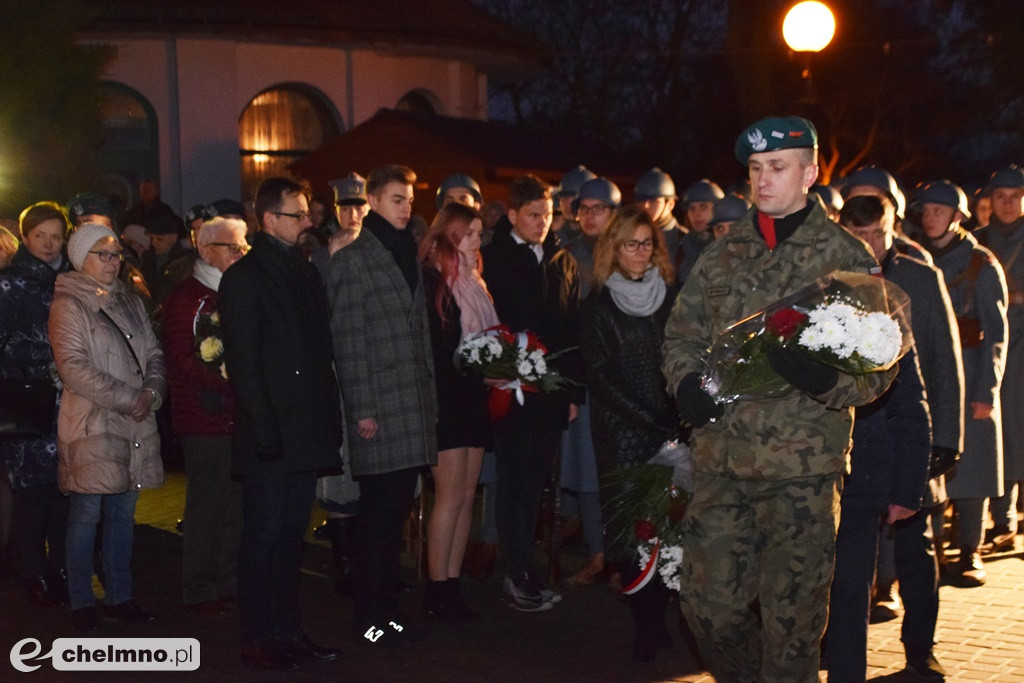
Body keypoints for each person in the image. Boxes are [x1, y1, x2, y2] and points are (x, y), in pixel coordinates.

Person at [661, 116, 897, 682]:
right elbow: (681, 335)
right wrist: (687, 384)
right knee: (708, 611)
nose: (764, 181)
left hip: (801, 473)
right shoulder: (722, 255)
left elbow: (878, 369)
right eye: (755, 169)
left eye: (778, 167)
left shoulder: (844, 257)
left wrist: (822, 379)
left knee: (793, 629)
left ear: (810, 173)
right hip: (722, 462)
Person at [833, 193, 963, 680]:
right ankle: (843, 649)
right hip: (862, 442)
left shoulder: (920, 278)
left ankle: (919, 647)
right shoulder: (834, 281)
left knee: (916, 549)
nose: (870, 244)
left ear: (894, 229)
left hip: (914, 431)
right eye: (859, 234)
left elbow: (945, 359)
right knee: (850, 564)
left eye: (878, 233)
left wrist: (945, 439)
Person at [218, 177, 344, 670]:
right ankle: (258, 635)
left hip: (304, 428)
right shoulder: (245, 278)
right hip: (271, 433)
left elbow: (320, 356)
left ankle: (289, 630)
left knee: (292, 536)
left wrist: (328, 420)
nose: (308, 221)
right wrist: (265, 431)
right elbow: (245, 365)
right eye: (298, 214)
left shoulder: (304, 272)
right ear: (269, 219)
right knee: (264, 535)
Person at [326, 164, 437, 645]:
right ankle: (369, 619)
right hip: (380, 408)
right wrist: (363, 410)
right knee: (376, 518)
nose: (406, 207)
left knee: (394, 518)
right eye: (396, 198)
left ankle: (387, 614)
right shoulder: (354, 259)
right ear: (371, 200)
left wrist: (429, 399)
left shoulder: (405, 252)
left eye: (409, 199)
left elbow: (420, 334)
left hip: (409, 404)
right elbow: (348, 340)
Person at [48, 223, 167, 633]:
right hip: (94, 423)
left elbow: (154, 351)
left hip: (134, 423)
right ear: (82, 258)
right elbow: (74, 368)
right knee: (86, 512)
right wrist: (130, 398)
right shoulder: (68, 304)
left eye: (116, 254)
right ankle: (82, 600)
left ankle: (121, 596)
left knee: (122, 513)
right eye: (103, 254)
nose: (113, 261)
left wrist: (151, 391)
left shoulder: (130, 301)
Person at [581, 206, 680, 661]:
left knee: (669, 529)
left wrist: (677, 414)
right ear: (613, 249)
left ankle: (659, 618)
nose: (640, 253)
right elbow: (600, 376)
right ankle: (643, 624)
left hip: (670, 428)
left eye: (647, 243)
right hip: (622, 432)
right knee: (630, 534)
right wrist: (647, 417)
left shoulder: (673, 297)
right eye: (630, 244)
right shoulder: (599, 305)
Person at [481, 174, 583, 611]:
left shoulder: (562, 259)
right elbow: (487, 325)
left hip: (551, 392)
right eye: (533, 215)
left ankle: (525, 565)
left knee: (537, 484)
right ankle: (515, 568)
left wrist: (572, 392)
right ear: (512, 214)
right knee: (513, 482)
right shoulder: (493, 258)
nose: (542, 222)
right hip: (511, 390)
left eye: (547, 214)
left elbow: (573, 327)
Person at [919, 179, 1008, 587]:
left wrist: (986, 390)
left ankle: (970, 550)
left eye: (939, 211)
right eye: (926, 211)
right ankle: (932, 550)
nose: (930, 217)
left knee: (971, 469)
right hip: (932, 376)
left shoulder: (981, 263)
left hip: (971, 372)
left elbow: (996, 332)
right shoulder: (915, 259)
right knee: (929, 465)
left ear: (958, 218)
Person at [162, 217, 250, 618]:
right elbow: (179, 359)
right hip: (203, 417)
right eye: (233, 246)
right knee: (206, 507)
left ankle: (229, 583)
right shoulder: (188, 297)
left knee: (234, 506)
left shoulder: (236, 291)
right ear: (206, 249)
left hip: (235, 417)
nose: (241, 251)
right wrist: (230, 385)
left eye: (243, 244)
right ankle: (198, 589)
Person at [418, 202, 497, 622]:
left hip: (473, 400)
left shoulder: (475, 282)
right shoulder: (434, 281)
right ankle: (436, 589)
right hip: (447, 402)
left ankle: (452, 583)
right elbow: (438, 349)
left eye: (480, 233)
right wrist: (478, 365)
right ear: (449, 235)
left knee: (468, 497)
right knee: (448, 497)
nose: (476, 240)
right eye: (469, 233)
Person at [0, 202, 72, 607]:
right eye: (40, 235)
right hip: (25, 397)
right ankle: (33, 572)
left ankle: (59, 567)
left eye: (55, 236)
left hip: (68, 396)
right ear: (25, 237)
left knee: (65, 485)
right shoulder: (9, 283)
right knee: (31, 490)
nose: (48, 244)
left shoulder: (71, 279)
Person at [558, 176, 620, 586]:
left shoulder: (628, 252)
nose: (591, 215)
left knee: (623, 470)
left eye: (600, 208)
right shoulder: (566, 257)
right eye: (585, 209)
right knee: (587, 471)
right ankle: (599, 555)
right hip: (585, 378)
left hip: (622, 378)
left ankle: (625, 560)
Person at [975, 165, 1024, 552]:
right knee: (1000, 428)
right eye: (1001, 196)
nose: (1008, 204)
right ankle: (1003, 517)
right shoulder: (975, 242)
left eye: (1015, 196)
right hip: (991, 346)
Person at [676, 178, 723, 284]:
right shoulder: (681, 248)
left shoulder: (727, 245)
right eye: (692, 208)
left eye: (703, 207)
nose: (697, 214)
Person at [554, 165, 597, 245]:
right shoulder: (552, 236)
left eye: (575, 198)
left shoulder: (606, 239)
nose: (568, 204)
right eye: (564, 198)